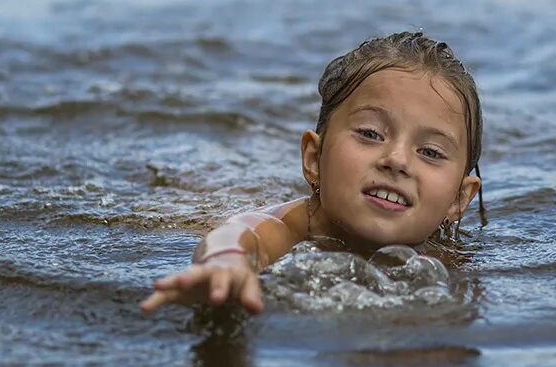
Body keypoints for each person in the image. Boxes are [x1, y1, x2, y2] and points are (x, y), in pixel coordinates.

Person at [141, 31, 484, 316]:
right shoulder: (290, 227)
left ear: (458, 198)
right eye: (370, 133)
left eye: (430, 152)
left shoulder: (450, 260)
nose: (397, 160)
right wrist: (226, 262)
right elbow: (238, 233)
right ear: (314, 158)